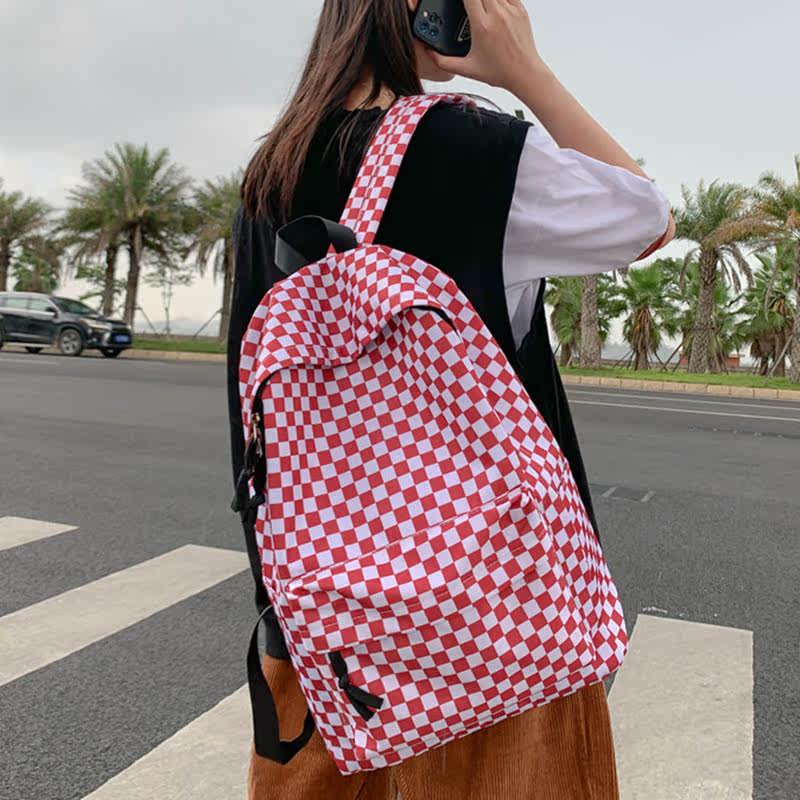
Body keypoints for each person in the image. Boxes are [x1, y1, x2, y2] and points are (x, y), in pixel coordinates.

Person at [228, 0, 674, 797]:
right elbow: (644, 220)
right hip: (489, 620)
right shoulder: (470, 147)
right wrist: (525, 71)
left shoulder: (275, 167)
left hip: (323, 623)